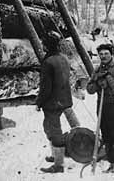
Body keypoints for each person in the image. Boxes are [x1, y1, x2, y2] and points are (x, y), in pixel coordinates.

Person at [35, 32, 72, 173]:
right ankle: (56, 155)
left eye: (44, 42)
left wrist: (39, 102)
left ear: (47, 44)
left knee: (54, 130)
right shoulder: (63, 58)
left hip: (52, 102)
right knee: (48, 126)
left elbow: (46, 87)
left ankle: (58, 165)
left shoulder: (48, 62)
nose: (42, 45)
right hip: (63, 100)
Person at [87, 43, 114, 172]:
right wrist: (97, 82)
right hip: (102, 105)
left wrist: (107, 77)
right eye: (101, 54)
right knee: (106, 133)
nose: (103, 56)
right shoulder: (97, 70)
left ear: (111, 54)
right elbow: (90, 89)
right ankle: (112, 162)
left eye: (106, 54)